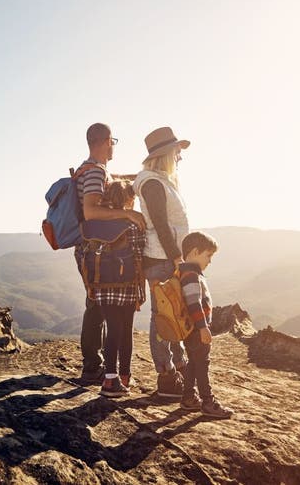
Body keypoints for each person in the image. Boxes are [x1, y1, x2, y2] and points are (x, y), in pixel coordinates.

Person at [76, 123, 146, 383]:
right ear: (106, 141)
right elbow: (91, 211)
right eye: (113, 141)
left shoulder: (95, 170)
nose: (114, 145)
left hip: (96, 248)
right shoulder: (94, 172)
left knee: (97, 304)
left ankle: (98, 366)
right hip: (95, 250)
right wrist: (126, 213)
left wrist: (141, 176)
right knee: (98, 305)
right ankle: (94, 367)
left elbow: (108, 183)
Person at [133, 126, 190, 398]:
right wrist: (177, 257)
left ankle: (177, 367)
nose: (180, 156)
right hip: (161, 257)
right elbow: (161, 224)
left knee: (172, 313)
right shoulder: (153, 183)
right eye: (177, 152)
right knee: (164, 316)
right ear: (166, 153)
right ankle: (167, 376)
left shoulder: (159, 180)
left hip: (165, 256)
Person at [95, 180, 146, 397]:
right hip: (127, 286)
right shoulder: (133, 224)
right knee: (125, 332)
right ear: (128, 199)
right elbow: (140, 257)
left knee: (112, 329)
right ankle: (122, 376)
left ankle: (111, 377)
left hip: (102, 286)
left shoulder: (99, 223)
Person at [178, 231, 233, 418]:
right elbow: (193, 303)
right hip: (196, 329)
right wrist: (203, 327)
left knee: (193, 363)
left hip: (190, 330)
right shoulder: (191, 275)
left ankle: (188, 398)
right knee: (202, 365)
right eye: (208, 255)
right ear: (194, 252)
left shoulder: (186, 272)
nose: (210, 261)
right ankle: (208, 402)